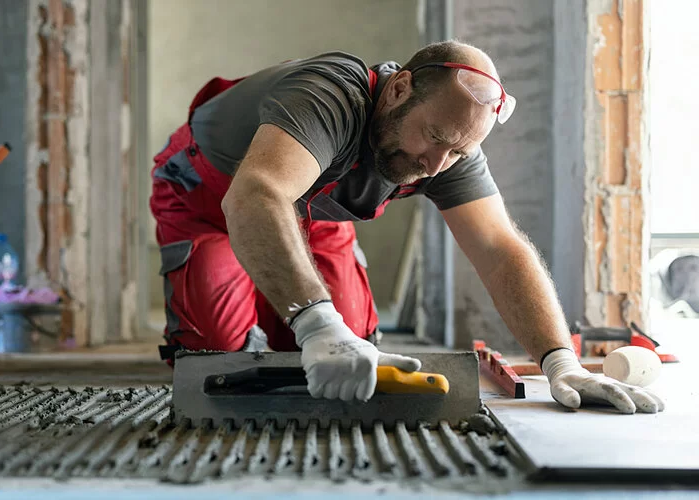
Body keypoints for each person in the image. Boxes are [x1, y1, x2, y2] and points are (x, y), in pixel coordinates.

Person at [150, 40, 664, 414]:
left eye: (458, 151)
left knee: (355, 350)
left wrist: (560, 360)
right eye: (434, 137)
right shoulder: (330, 96)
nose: (437, 164)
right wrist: (316, 324)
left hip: (314, 213)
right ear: (399, 89)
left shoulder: (449, 147)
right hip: (212, 198)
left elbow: (499, 248)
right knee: (213, 362)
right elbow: (256, 195)